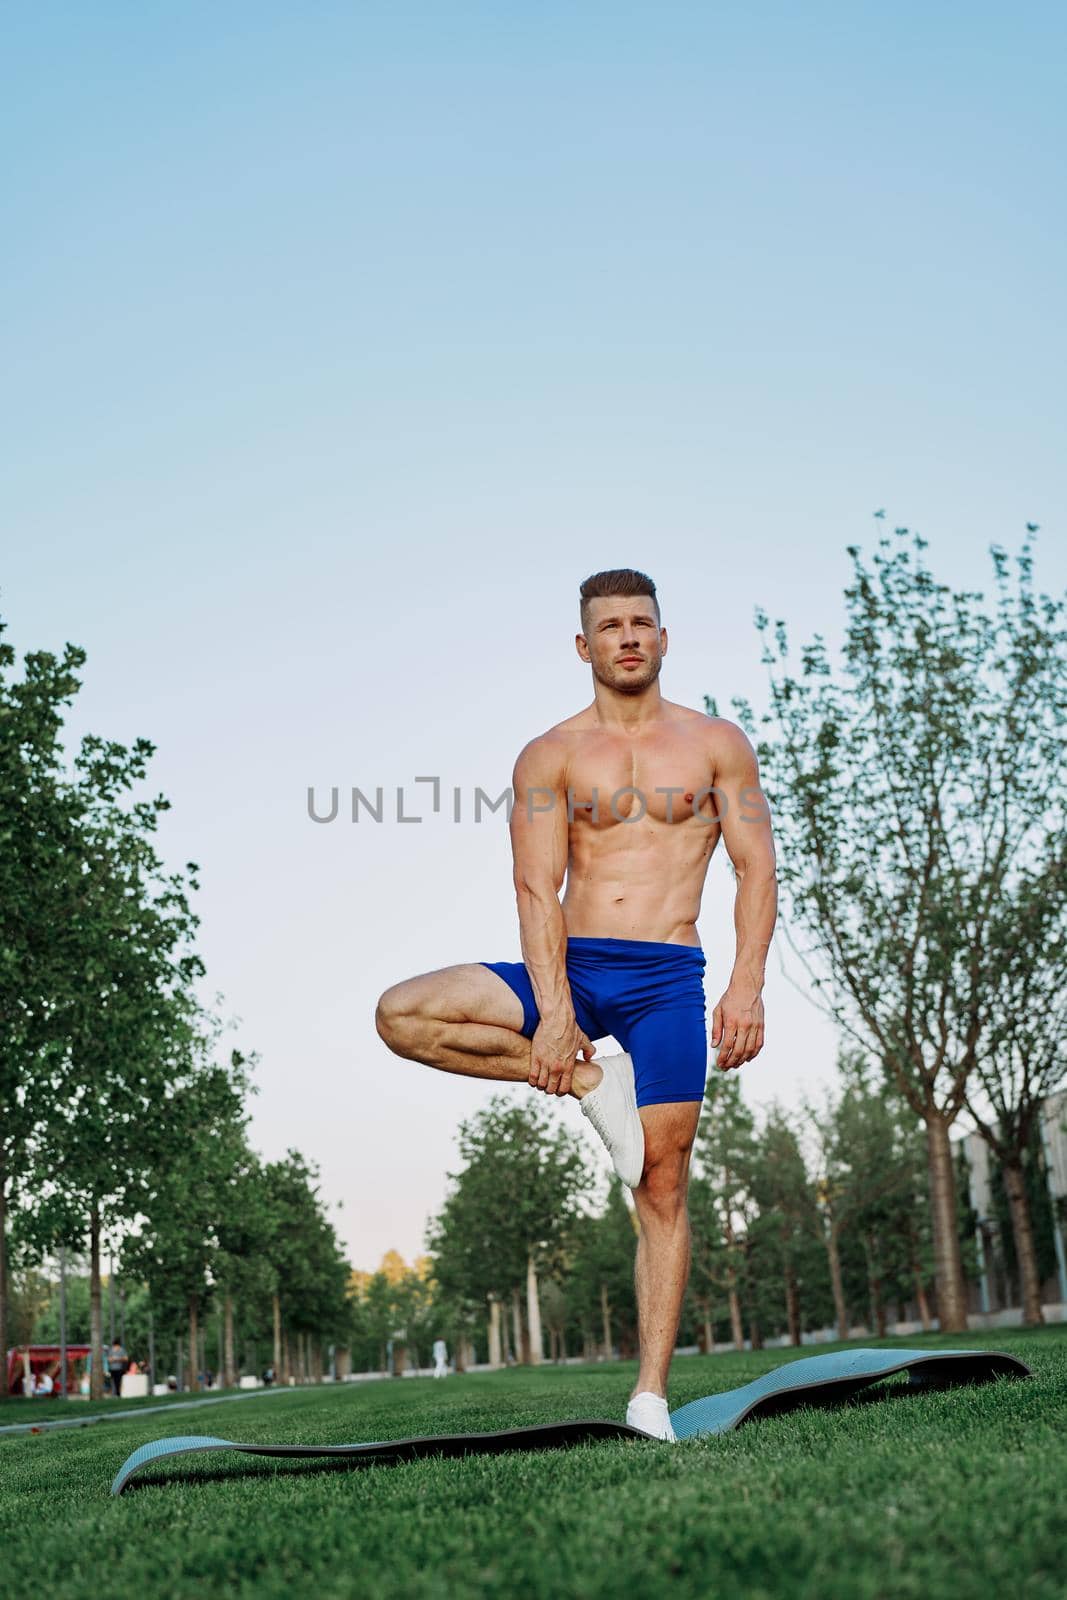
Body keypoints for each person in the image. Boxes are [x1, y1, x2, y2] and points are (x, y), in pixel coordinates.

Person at [375, 568, 778, 1440]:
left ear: (663, 638)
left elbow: (755, 868)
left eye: (642, 623)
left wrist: (745, 981)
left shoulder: (717, 745)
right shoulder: (549, 754)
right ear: (583, 645)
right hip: (571, 959)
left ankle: (648, 1398)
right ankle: (594, 1082)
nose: (627, 637)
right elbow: (534, 886)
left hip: (666, 976)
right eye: (610, 626)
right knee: (402, 1014)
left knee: (661, 1183)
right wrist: (555, 1017)